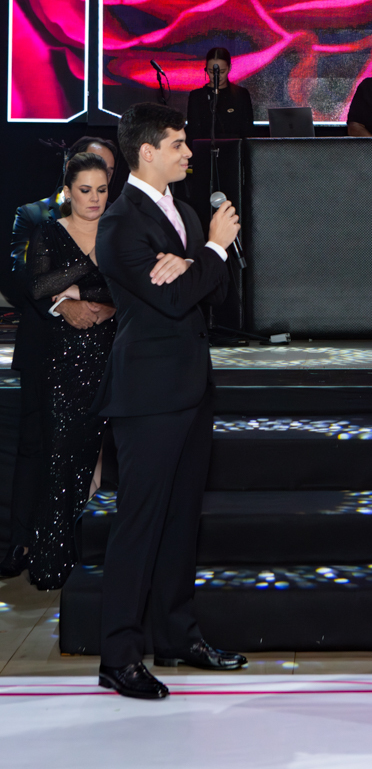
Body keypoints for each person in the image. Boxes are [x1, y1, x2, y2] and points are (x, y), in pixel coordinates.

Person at [93, 103, 246, 700]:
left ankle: (178, 636)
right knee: (140, 525)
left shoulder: (183, 211)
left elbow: (217, 293)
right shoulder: (119, 223)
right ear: (147, 151)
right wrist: (210, 253)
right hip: (148, 396)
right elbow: (178, 299)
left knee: (182, 523)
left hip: (191, 387)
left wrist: (198, 260)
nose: (188, 153)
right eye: (178, 144)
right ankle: (118, 656)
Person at [1, 135, 118, 579]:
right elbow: (28, 284)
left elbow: (126, 286)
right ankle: (25, 544)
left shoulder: (119, 226)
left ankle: (88, 549)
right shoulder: (37, 218)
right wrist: (64, 302)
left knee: (96, 452)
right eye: (86, 186)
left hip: (108, 351)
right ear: (69, 182)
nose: (96, 195)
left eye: (105, 182)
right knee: (42, 449)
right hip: (48, 353)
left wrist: (86, 296)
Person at [186, 47, 254, 145]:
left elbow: (248, 132)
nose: (216, 76)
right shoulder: (197, 96)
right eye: (211, 71)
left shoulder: (241, 94)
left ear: (229, 68)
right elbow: (193, 134)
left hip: (235, 151)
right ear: (206, 69)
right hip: (205, 151)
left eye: (221, 72)